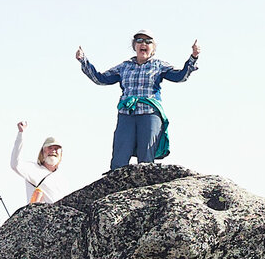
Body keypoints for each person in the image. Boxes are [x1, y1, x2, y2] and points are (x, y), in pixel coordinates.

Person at [76, 32, 198, 170]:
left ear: (153, 48)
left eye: (148, 41)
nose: (143, 43)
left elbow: (180, 76)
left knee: (146, 155)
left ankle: (145, 187)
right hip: (126, 113)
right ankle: (115, 185)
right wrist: (83, 61)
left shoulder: (159, 65)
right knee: (120, 153)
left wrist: (193, 58)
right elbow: (100, 79)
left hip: (149, 112)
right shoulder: (124, 66)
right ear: (134, 46)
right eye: (139, 40)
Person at [10, 121, 64, 205]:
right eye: (50, 148)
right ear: (42, 152)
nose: (53, 151)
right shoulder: (33, 169)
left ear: (61, 154)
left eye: (56, 149)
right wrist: (21, 134)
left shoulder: (61, 178)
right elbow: (14, 164)